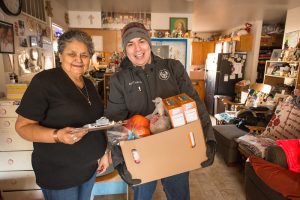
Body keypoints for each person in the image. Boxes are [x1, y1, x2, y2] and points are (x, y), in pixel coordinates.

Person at [106, 22, 216, 200]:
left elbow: (195, 104)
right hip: (140, 152)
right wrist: (120, 161)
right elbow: (115, 121)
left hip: (175, 148)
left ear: (149, 43)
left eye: (141, 41)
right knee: (142, 196)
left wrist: (208, 139)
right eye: (130, 44)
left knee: (179, 195)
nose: (137, 48)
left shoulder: (173, 68)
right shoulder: (119, 79)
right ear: (125, 49)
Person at [15, 30, 110, 200]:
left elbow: (96, 122)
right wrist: (57, 135)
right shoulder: (44, 82)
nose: (78, 60)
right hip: (59, 173)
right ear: (60, 56)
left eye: (84, 55)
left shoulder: (88, 83)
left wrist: (104, 152)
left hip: (89, 169)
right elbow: (22, 127)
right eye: (71, 54)